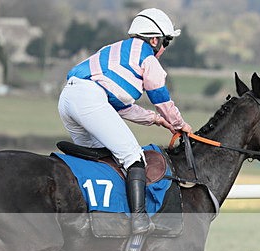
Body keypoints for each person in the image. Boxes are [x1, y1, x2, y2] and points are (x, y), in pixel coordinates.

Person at [58, 8, 193, 234]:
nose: (164, 49)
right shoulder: (148, 58)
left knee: (102, 159)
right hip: (89, 99)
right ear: (154, 39)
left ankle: (98, 213)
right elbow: (160, 96)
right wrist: (179, 124)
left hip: (67, 99)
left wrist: (156, 120)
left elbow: (121, 108)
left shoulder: (114, 50)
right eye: (166, 42)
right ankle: (140, 220)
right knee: (133, 156)